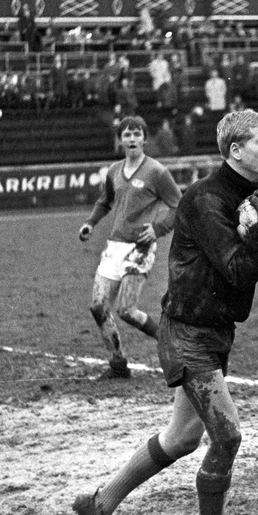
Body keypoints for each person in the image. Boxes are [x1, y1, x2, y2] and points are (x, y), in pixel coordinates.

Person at [72, 109, 258, 515]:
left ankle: (99, 506)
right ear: (235, 151)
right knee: (227, 437)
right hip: (188, 334)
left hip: (213, 331)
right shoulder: (206, 201)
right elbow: (238, 270)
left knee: (182, 439)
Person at [78, 116, 183, 379]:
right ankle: (117, 364)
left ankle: (170, 343)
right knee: (98, 306)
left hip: (140, 249)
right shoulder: (114, 171)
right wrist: (91, 223)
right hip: (114, 246)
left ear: (145, 139)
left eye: (137, 134)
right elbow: (105, 201)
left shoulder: (157, 172)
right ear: (120, 140)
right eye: (127, 135)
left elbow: (178, 205)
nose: (132, 139)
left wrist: (157, 229)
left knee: (126, 310)